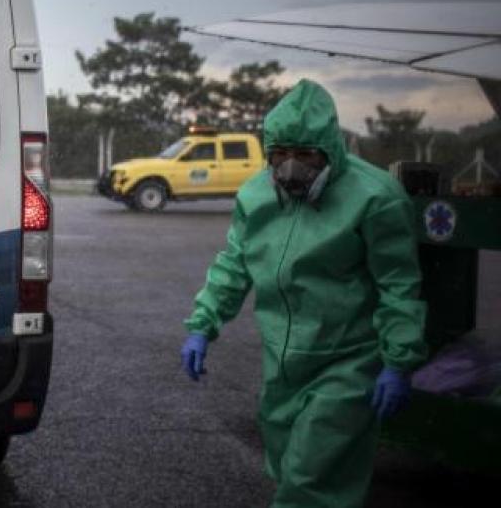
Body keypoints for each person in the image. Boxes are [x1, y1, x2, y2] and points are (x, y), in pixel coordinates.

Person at [179, 79, 426, 507]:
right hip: (282, 360)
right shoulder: (257, 194)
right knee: (287, 465)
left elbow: (398, 285)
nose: (291, 166)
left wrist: (398, 360)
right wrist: (203, 324)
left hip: (348, 359)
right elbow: (235, 264)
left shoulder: (375, 197)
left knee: (311, 482)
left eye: (306, 153)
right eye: (281, 152)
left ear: (329, 147)